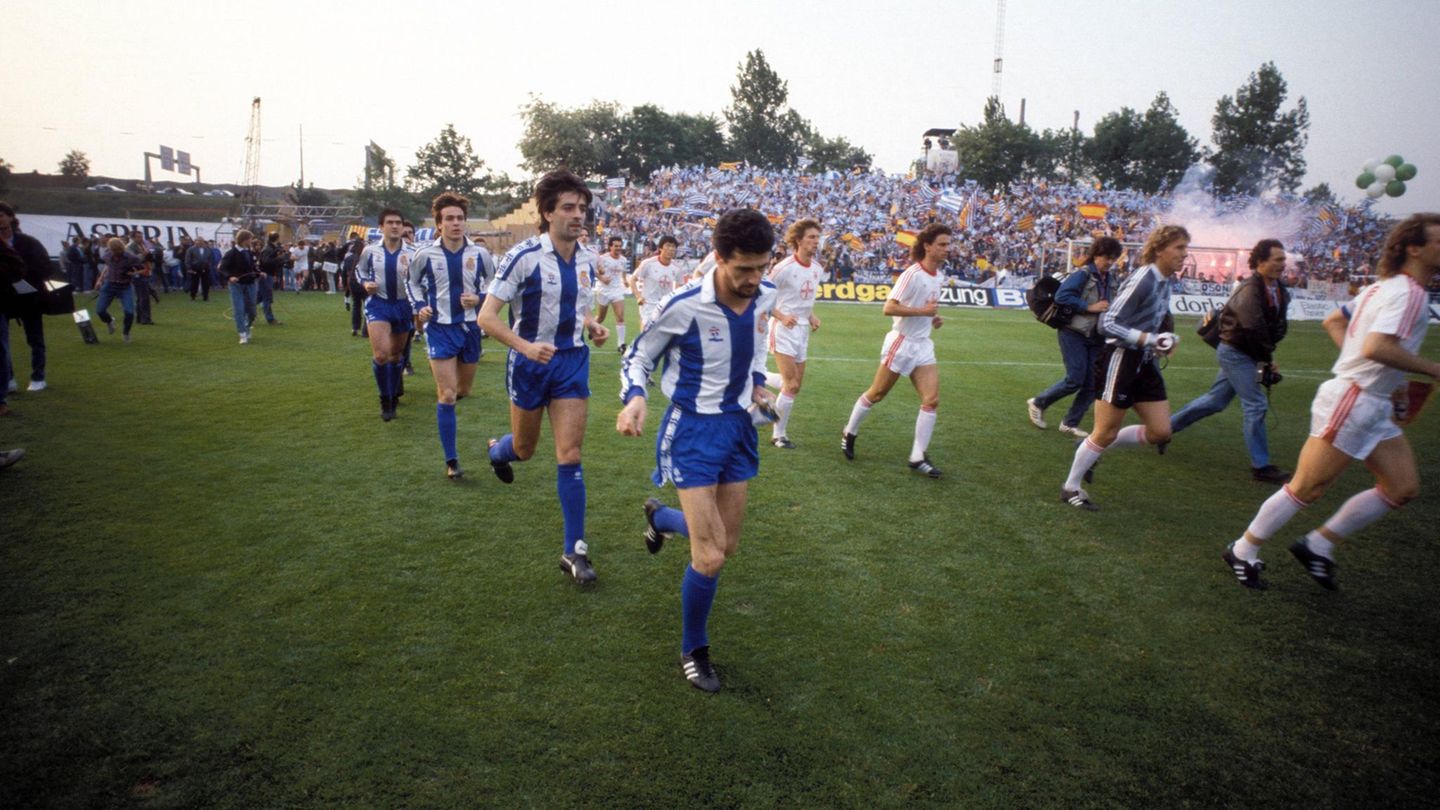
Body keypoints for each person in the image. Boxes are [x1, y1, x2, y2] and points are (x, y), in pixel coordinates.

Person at [1222, 214, 1440, 591]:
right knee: (1306, 487)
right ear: (1414, 248)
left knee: (1401, 487)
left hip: (1371, 401)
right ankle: (1243, 549)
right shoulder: (1409, 294)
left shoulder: (1383, 288)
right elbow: (1376, 346)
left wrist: (1387, 372)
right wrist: (1431, 368)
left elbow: (1333, 322)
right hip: (1354, 399)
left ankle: (1318, 544)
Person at [616, 207, 778, 693]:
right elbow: (639, 354)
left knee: (726, 544)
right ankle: (694, 648)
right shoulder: (685, 304)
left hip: (739, 428)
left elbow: (756, 349)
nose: (753, 279)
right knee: (709, 556)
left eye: (761, 268)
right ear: (719, 258)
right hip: (691, 432)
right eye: (743, 268)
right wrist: (636, 397)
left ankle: (661, 519)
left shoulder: (764, 296)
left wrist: (757, 384)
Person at [479, 170, 609, 584]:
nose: (578, 216)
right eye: (569, 208)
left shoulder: (588, 258)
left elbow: (575, 305)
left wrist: (591, 324)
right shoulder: (524, 257)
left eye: (582, 209)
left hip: (572, 362)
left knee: (569, 455)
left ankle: (575, 551)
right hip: (531, 364)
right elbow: (486, 317)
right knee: (525, 448)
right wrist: (525, 347)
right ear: (548, 212)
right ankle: (498, 451)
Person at [1059, 225, 1188, 510]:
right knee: (1105, 431)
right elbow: (1108, 323)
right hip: (1120, 357)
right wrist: (1149, 338)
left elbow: (1152, 320)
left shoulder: (1167, 280)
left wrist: (1165, 338)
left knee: (1161, 432)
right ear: (1159, 249)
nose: (1184, 253)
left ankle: (1091, 450)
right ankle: (1071, 487)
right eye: (1179, 247)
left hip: (1144, 359)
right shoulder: (1143, 279)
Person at [1169, 238, 1292, 484]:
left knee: (1214, 401)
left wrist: (1266, 357)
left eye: (1283, 260)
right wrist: (1266, 360)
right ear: (1260, 262)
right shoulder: (1249, 290)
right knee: (1256, 405)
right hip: (1237, 352)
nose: (1283, 264)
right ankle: (1261, 466)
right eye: (1277, 260)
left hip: (1246, 352)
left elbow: (1273, 326)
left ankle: (1164, 429)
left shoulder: (1278, 289)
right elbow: (1253, 328)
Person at [840, 222, 951, 477]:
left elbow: (926, 306)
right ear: (927, 246)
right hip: (902, 342)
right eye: (942, 244)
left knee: (931, 400)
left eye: (948, 244)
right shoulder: (912, 274)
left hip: (923, 345)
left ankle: (917, 456)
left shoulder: (939, 276)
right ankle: (849, 430)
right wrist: (922, 312)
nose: (947, 249)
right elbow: (888, 308)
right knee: (876, 393)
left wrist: (932, 318)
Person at [407, 192, 494, 480]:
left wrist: (479, 298)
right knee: (446, 395)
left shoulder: (480, 254)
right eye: (449, 219)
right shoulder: (425, 254)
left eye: (460, 218)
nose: (456, 223)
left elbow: (494, 286)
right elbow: (412, 284)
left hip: (470, 329)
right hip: (440, 328)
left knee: (462, 391)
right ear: (439, 223)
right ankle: (452, 461)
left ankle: (451, 407)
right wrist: (420, 307)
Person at [1026, 236, 1121, 438]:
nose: (1110, 262)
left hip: (1096, 336)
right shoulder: (1083, 274)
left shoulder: (1111, 279)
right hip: (1074, 332)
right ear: (1097, 255)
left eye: (1114, 258)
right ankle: (1038, 402)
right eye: (1107, 257)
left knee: (1092, 384)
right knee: (1075, 379)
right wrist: (1089, 306)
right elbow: (1062, 296)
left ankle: (1070, 423)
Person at [765, 218, 825, 448]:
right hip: (782, 329)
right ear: (798, 240)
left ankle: (757, 377)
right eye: (811, 237)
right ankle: (778, 434)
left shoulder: (817, 269)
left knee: (795, 384)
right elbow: (763, 297)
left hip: (801, 331)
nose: (815, 242)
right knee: (791, 385)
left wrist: (811, 316)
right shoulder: (783, 268)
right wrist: (781, 316)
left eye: (817, 238)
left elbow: (805, 299)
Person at [355, 208, 414, 421]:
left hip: (403, 306)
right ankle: (385, 399)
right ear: (381, 227)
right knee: (381, 355)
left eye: (398, 222)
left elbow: (420, 280)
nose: (395, 226)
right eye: (390, 222)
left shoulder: (412, 252)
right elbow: (359, 271)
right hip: (378, 304)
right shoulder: (370, 251)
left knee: (396, 355)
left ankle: (393, 391)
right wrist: (365, 283)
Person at [0, 202, 51, 400]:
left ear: (11, 217)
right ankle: (8, 378)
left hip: (30, 296)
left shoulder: (28, 242)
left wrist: (24, 278)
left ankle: (38, 376)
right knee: (3, 342)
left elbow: (45, 266)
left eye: (2, 215)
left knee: (35, 338)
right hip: (5, 297)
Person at [93, 237, 146, 344]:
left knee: (129, 312)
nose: (117, 252)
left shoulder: (130, 257)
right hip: (109, 285)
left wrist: (133, 273)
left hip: (125, 287)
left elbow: (143, 268)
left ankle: (126, 332)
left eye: (119, 250)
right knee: (100, 310)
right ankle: (109, 321)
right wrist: (100, 280)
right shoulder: (108, 255)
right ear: (111, 249)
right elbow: (108, 267)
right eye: (114, 250)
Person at [218, 230, 263, 344]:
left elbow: (252, 267)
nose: (251, 241)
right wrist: (230, 277)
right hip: (236, 285)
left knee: (252, 311)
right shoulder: (231, 253)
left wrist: (259, 273)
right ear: (244, 239)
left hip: (251, 284)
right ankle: (242, 334)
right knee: (239, 309)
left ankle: (247, 326)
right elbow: (222, 268)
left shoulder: (249, 252)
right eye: (250, 239)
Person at [631, 234, 681, 331]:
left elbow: (681, 287)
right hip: (648, 304)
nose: (671, 249)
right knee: (646, 333)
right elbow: (633, 280)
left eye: (673, 247)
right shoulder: (648, 264)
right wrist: (638, 296)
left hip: (666, 305)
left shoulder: (677, 268)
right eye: (668, 246)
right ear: (660, 248)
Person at [594, 235, 630, 353]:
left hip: (617, 290)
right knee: (600, 318)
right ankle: (591, 328)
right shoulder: (602, 258)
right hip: (604, 290)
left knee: (620, 316)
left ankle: (621, 344)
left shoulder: (623, 259)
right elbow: (594, 271)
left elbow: (624, 271)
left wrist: (624, 280)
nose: (618, 248)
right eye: (616, 246)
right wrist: (602, 278)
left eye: (620, 246)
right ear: (610, 247)